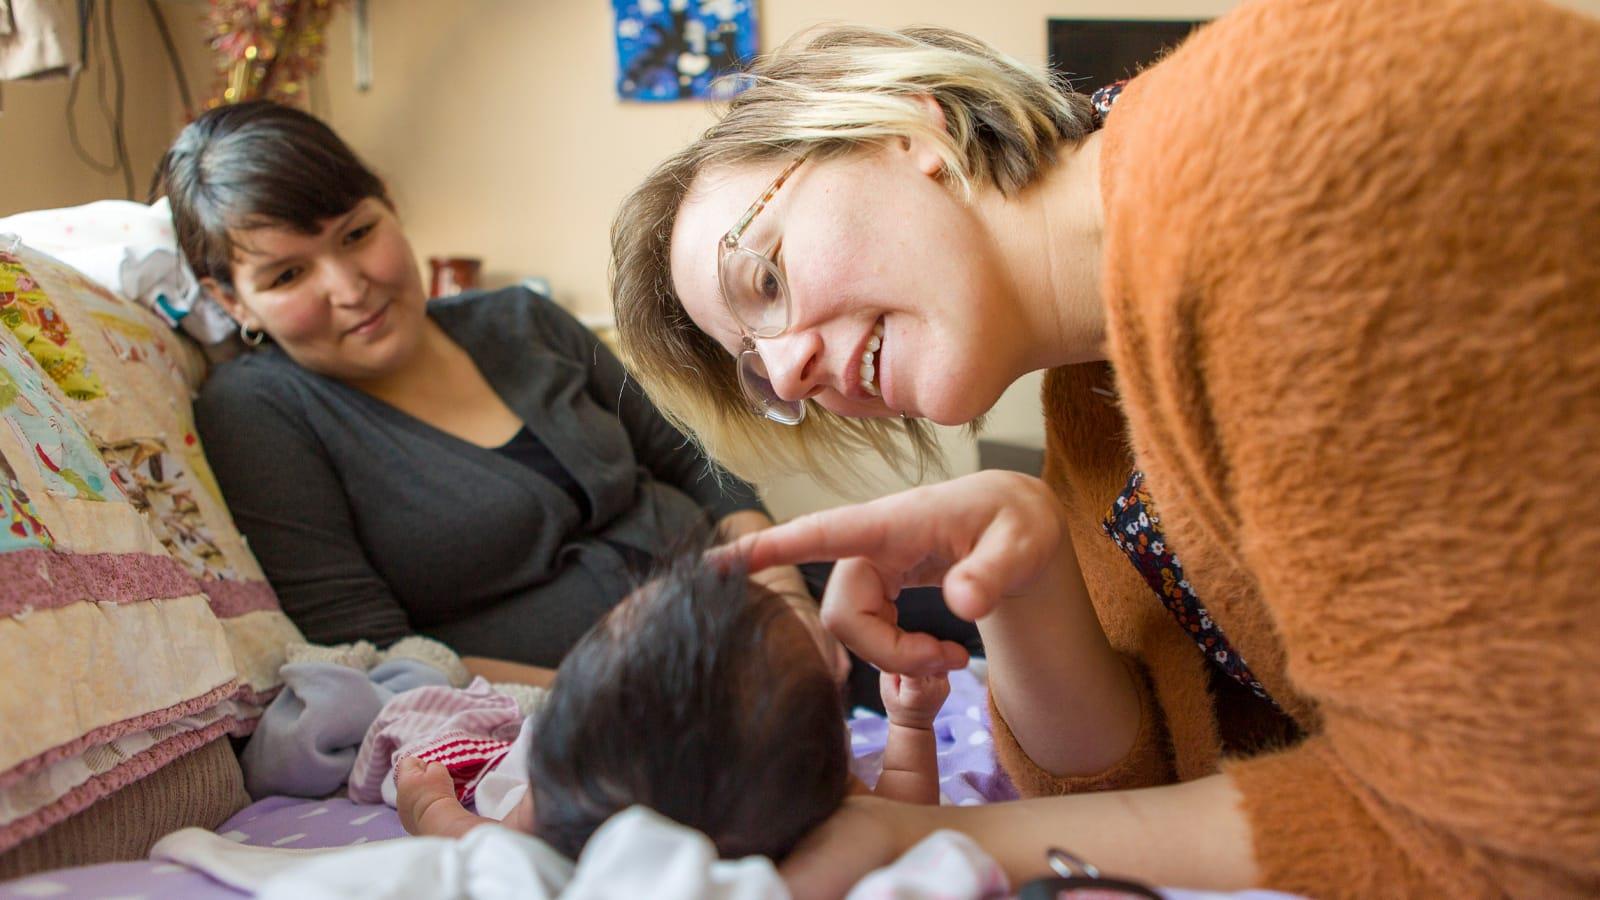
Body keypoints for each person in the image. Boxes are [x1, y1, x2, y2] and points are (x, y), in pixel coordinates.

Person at [609, 0, 1600, 896]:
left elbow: (1515, 826)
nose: (787, 375)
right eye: (754, 368)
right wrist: (1026, 563)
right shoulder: (1090, 417)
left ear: (907, 127)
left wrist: (930, 840)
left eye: (764, 281)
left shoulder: (1282, 155)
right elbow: (1141, 785)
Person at [155, 101, 834, 682]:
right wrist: (618, 695)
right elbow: (376, 653)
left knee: (935, 601)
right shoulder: (259, 413)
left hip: (766, 602)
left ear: (390, 204)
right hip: (616, 708)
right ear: (231, 300)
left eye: (357, 234)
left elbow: (687, 461)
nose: (348, 286)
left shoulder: (521, 320)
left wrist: (783, 593)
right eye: (287, 275)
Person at [392, 550, 951, 859]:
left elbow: (475, 843)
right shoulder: (812, 811)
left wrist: (429, 802)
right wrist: (910, 724)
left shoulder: (565, 814)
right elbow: (907, 818)